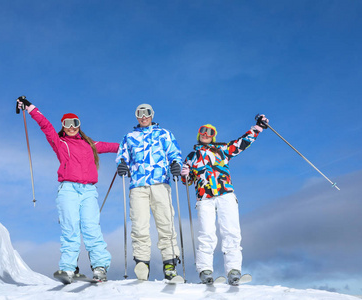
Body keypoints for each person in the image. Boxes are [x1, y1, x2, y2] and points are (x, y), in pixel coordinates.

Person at [16, 97, 119, 283]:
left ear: (79, 125)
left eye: (75, 123)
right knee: (70, 228)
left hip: (88, 191)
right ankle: (68, 268)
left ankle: (100, 266)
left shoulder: (91, 145)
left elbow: (115, 147)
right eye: (67, 124)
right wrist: (30, 107)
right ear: (63, 126)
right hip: (68, 189)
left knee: (91, 228)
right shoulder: (60, 143)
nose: (71, 127)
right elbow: (45, 126)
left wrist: (133, 148)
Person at [181, 114, 269, 285]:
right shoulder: (192, 157)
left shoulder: (222, 149)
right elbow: (187, 181)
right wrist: (185, 174)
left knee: (231, 231)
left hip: (225, 194)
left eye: (210, 131)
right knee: (206, 234)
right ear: (199, 134)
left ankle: (233, 270)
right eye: (203, 131)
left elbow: (241, 143)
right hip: (205, 197)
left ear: (214, 135)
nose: (206, 134)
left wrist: (257, 128)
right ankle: (205, 270)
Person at [116, 103, 183, 281]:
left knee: (166, 223)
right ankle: (142, 263)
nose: (143, 116)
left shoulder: (164, 134)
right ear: (136, 116)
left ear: (152, 114)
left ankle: (169, 263)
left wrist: (176, 164)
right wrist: (122, 164)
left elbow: (174, 153)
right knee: (139, 225)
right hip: (138, 185)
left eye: (146, 113)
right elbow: (122, 156)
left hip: (160, 183)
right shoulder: (129, 137)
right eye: (139, 113)